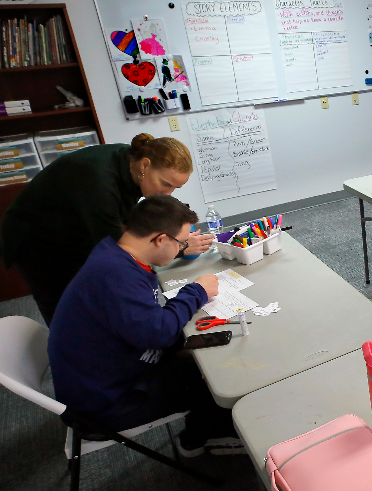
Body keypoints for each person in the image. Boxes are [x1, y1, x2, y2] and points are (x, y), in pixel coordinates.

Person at [47, 195, 242, 456]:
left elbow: (143, 324)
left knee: (198, 352)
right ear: (161, 239)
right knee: (214, 378)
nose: (181, 249)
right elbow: (158, 333)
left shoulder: (114, 254)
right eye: (181, 243)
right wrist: (197, 291)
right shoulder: (116, 276)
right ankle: (199, 440)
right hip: (103, 405)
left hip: (109, 371)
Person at [0, 133, 213, 325]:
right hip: (37, 238)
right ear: (145, 166)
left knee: (96, 291)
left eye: (176, 187)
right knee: (65, 303)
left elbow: (130, 226)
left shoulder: (134, 161)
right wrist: (179, 248)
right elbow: (122, 253)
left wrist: (175, 242)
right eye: (165, 183)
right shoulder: (99, 182)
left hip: (75, 224)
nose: (168, 193)